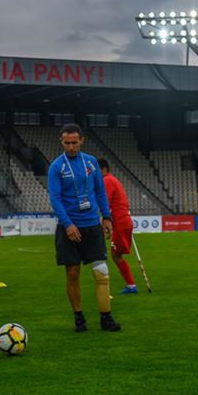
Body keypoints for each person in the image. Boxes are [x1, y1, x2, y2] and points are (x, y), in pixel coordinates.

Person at [48, 123, 121, 332]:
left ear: (82, 140)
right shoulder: (56, 167)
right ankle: (79, 317)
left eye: (74, 142)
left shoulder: (91, 163)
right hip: (69, 228)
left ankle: (106, 317)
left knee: (101, 272)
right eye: (66, 143)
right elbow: (55, 198)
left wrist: (106, 217)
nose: (71, 147)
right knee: (72, 273)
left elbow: (99, 191)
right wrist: (67, 224)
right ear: (61, 142)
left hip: (92, 225)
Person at [97, 158, 137, 294]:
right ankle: (131, 285)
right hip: (121, 221)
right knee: (115, 254)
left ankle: (131, 285)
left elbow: (105, 202)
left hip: (120, 222)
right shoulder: (113, 180)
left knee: (115, 255)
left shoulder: (106, 181)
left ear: (103, 169)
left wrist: (105, 221)